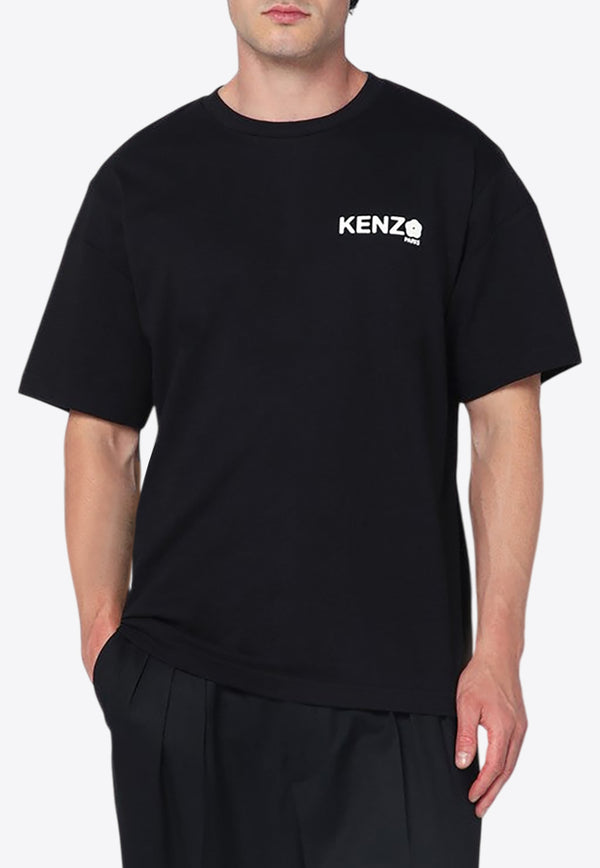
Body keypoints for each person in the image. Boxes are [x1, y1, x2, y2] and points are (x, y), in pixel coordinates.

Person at [18, 1, 582, 866]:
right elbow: (102, 434)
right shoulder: (141, 182)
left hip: (405, 701)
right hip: (184, 692)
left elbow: (505, 422)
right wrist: (106, 649)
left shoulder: (453, 166)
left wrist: (499, 654)